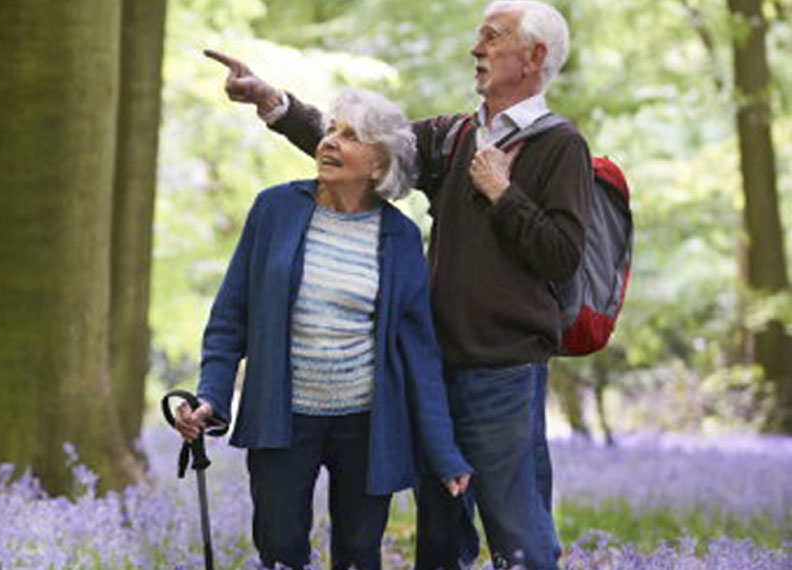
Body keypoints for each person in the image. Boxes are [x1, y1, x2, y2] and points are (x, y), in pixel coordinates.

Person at [203, 2, 594, 569]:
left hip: (501, 372)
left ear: (534, 56)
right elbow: (369, 149)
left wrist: (503, 194)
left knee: (516, 529)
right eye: (478, 36)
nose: (475, 48)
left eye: (492, 37)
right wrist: (275, 105)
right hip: (427, 370)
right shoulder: (456, 135)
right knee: (439, 536)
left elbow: (561, 256)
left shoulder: (560, 146)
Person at [174, 88, 473, 570]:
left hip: (366, 423)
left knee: (358, 554)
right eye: (331, 130)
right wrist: (211, 398)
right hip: (282, 417)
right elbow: (230, 320)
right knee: (280, 549)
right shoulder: (274, 210)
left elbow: (419, 354)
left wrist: (444, 452)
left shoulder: (399, 238)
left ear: (378, 165)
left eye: (349, 136)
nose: (330, 141)